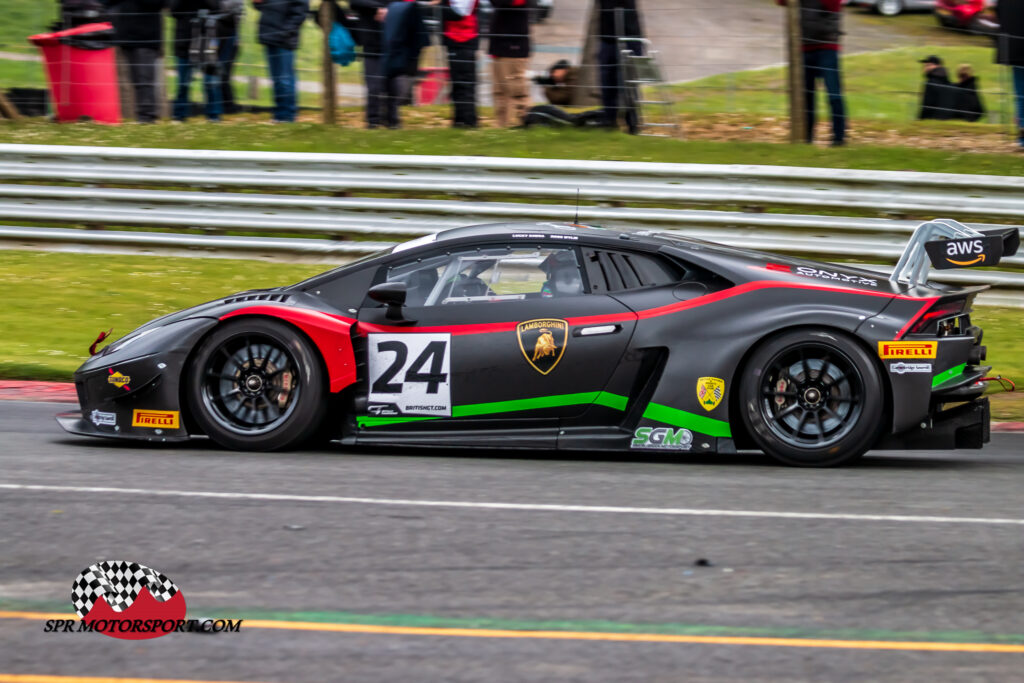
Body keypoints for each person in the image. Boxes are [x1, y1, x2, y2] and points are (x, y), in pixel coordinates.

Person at [778, 0, 846, 146]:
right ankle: (806, 137)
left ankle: (839, 138)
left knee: (834, 94)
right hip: (804, 48)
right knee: (806, 97)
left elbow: (833, 5)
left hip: (827, 47)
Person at [102, 0, 167, 123]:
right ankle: (142, 115)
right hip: (126, 36)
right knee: (135, 79)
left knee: (144, 78)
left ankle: (147, 116)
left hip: (147, 37)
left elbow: (159, 4)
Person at [252, 0, 308, 123]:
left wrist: (286, 32)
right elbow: (260, 6)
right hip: (269, 35)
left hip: (284, 39)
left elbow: (301, 11)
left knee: (285, 80)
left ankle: (288, 116)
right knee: (276, 79)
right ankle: (278, 115)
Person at [350, 0, 401, 128]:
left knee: (393, 86)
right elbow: (354, 3)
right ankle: (373, 121)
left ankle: (392, 121)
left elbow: (400, 5)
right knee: (373, 87)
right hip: (370, 43)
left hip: (391, 42)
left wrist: (387, 9)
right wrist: (377, 8)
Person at [170, 0, 222, 122]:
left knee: (211, 81)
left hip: (206, 39)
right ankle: (179, 116)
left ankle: (213, 116)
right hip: (184, 40)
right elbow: (173, 11)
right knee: (183, 82)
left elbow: (217, 8)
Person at [596, 0, 643, 132]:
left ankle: (632, 123)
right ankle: (609, 121)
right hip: (607, 38)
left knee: (628, 83)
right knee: (607, 83)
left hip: (629, 37)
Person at [433, 0, 481, 128]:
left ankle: (469, 121)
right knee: (457, 83)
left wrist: (438, 5)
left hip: (463, 38)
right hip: (456, 39)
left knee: (465, 83)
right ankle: (459, 121)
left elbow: (459, 13)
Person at [488, 0, 532, 127]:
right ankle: (502, 126)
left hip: (513, 48)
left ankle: (526, 123)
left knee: (516, 90)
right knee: (499, 91)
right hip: (499, 47)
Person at [996, 0, 1024, 148]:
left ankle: (1023, 138)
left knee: (1020, 95)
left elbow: (1000, 15)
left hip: (1013, 48)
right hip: (1015, 46)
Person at [217, 0, 245, 114]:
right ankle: (223, 105)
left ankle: (229, 106)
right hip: (218, 37)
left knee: (223, 73)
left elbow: (221, 7)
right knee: (217, 72)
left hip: (230, 39)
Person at [918, 55, 954, 120]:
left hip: (932, 121)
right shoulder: (948, 82)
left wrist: (920, 120)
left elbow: (927, 106)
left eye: (927, 65)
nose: (924, 68)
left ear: (933, 65)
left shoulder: (930, 82)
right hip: (947, 120)